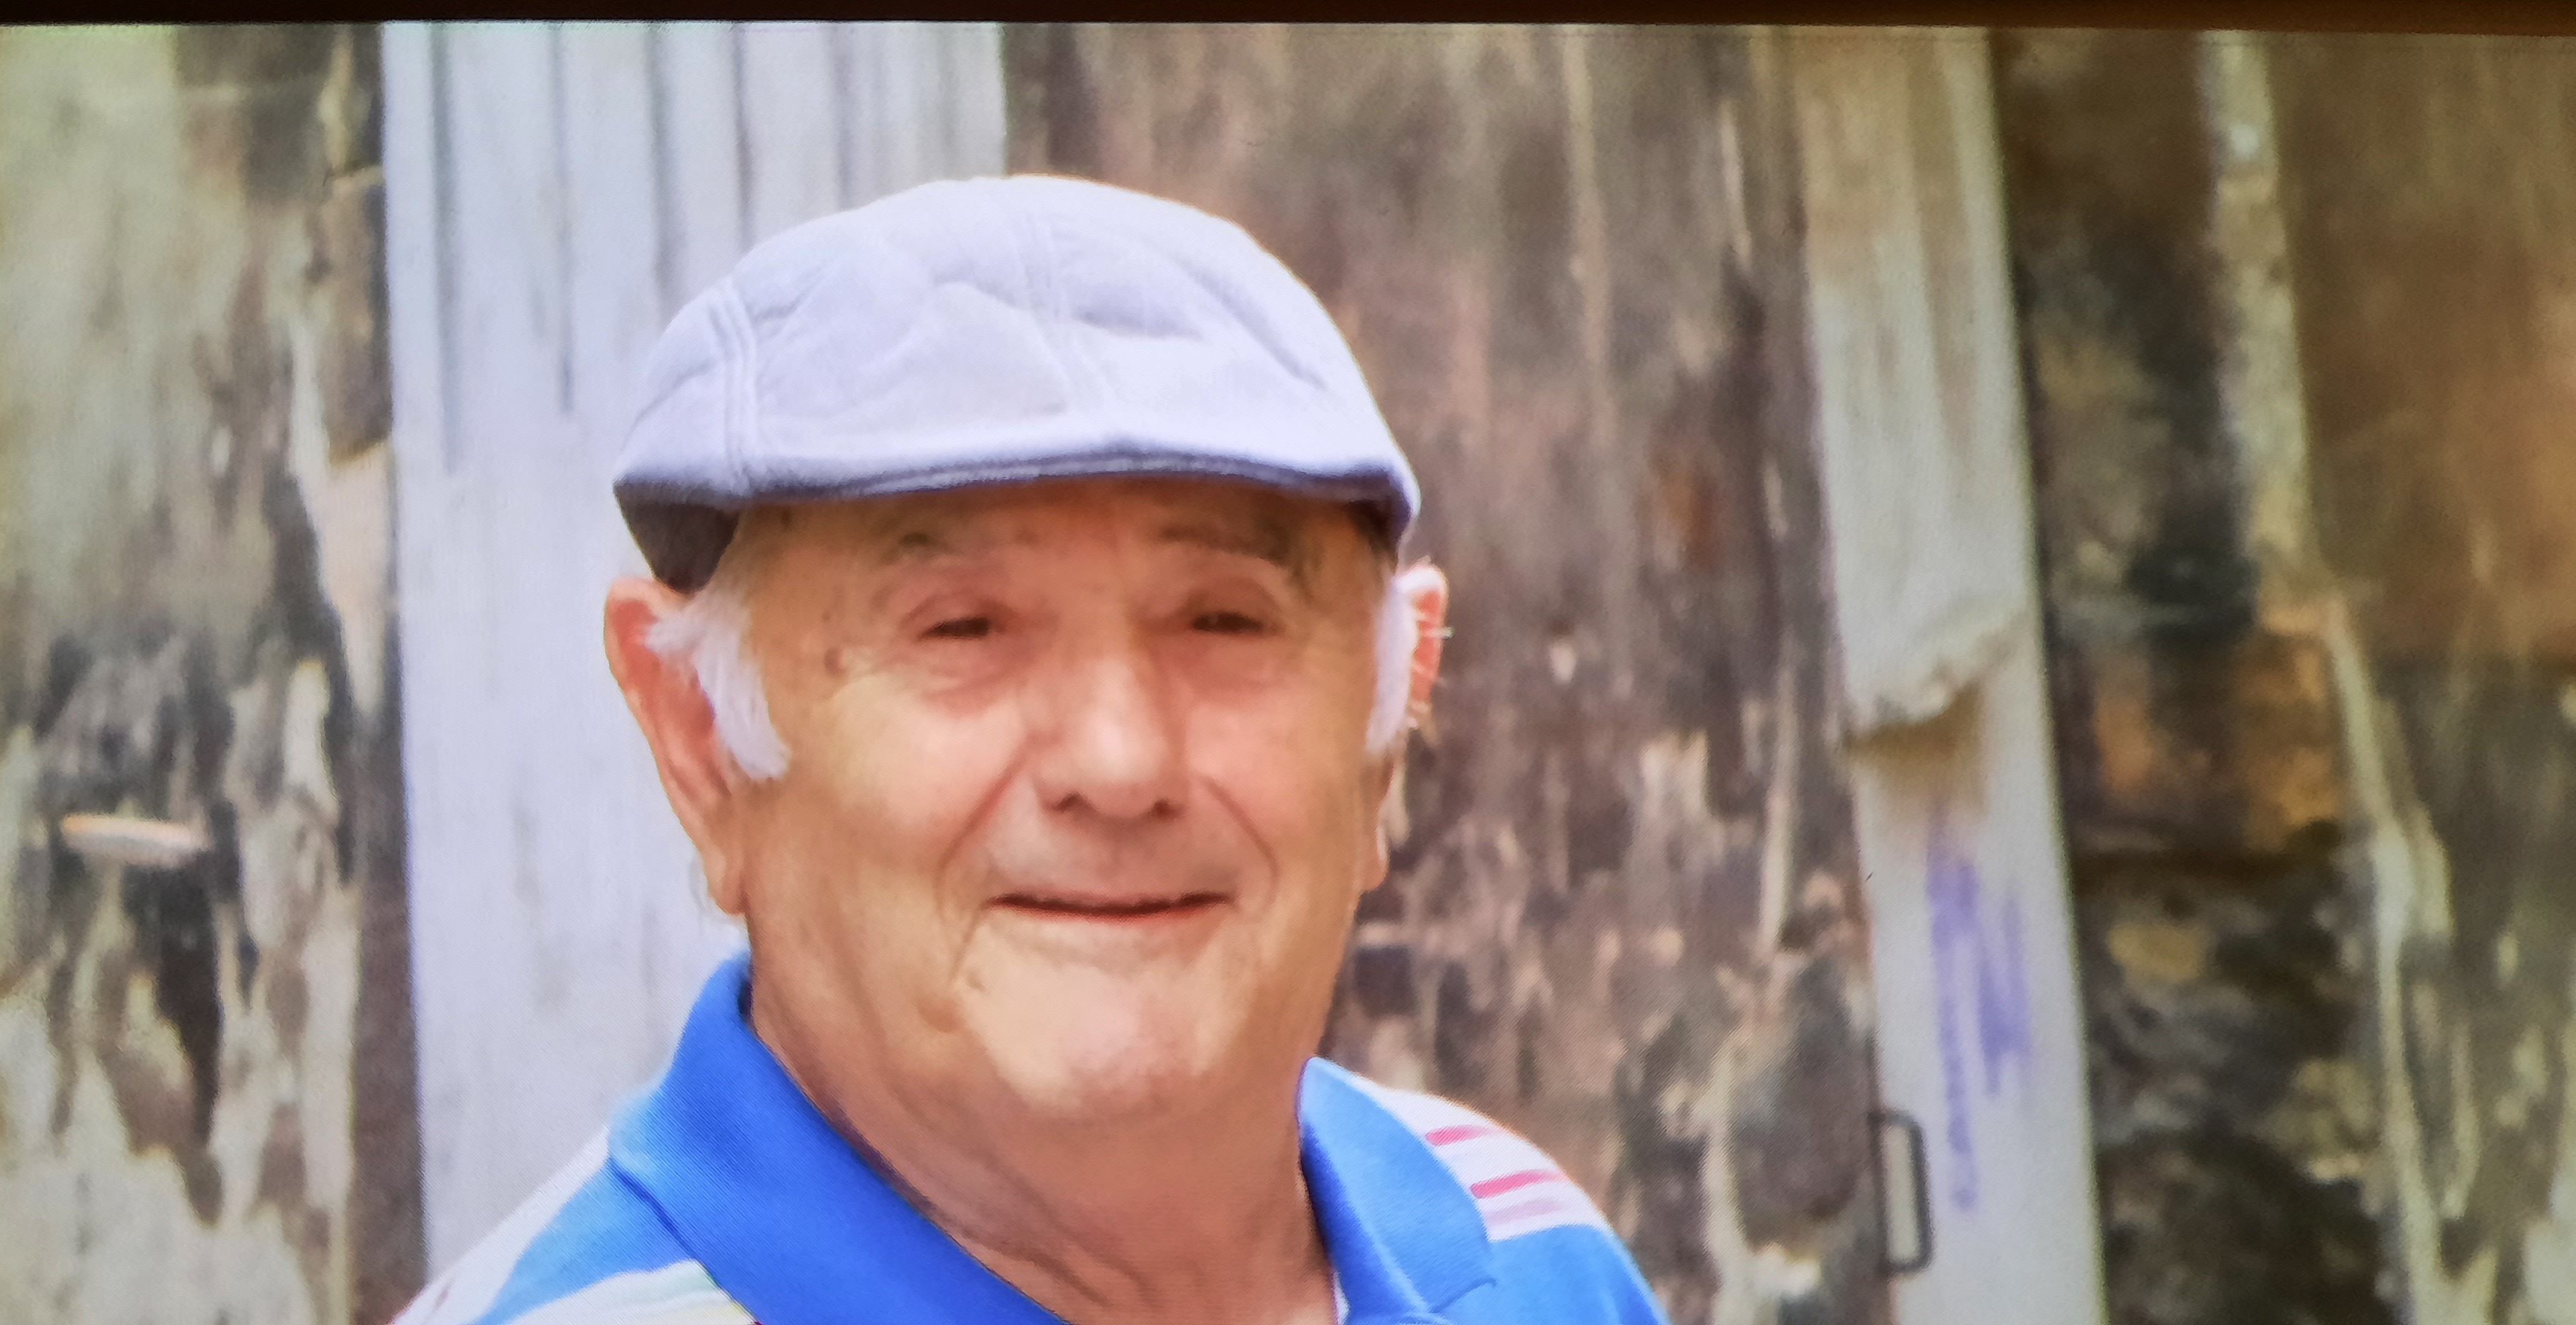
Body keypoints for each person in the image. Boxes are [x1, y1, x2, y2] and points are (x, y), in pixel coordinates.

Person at [394, 175, 1669, 1325]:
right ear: (702, 744)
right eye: (962, 629)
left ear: (1388, 729)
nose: (1119, 764)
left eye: (1225, 621)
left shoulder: (1535, 1257)